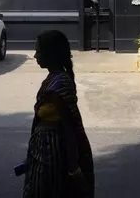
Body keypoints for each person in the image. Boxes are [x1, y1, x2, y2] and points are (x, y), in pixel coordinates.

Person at [23, 30, 94, 198]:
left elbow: (69, 127)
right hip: (43, 149)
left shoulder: (58, 84)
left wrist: (73, 167)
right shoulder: (54, 79)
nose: (35, 56)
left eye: (39, 51)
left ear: (51, 53)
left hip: (52, 153)